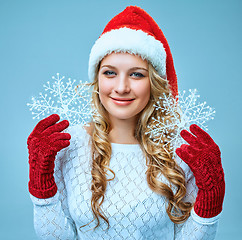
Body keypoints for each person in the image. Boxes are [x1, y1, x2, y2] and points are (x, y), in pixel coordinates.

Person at [27, 5, 225, 240]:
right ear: (97, 79)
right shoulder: (68, 146)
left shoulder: (180, 153)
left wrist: (210, 200)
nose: (121, 87)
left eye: (137, 74)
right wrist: (41, 186)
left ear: (154, 83)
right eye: (110, 73)